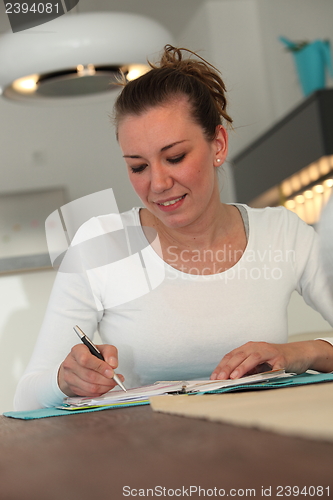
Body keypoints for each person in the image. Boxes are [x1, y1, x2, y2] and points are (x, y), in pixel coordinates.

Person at [14, 45, 333, 410]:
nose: (158, 183)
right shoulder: (103, 244)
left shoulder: (283, 234)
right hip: (149, 454)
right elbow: (26, 396)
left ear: (218, 144)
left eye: (175, 157)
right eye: (138, 166)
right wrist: (64, 379)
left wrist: (302, 353)